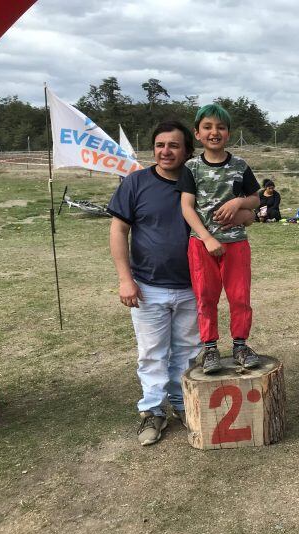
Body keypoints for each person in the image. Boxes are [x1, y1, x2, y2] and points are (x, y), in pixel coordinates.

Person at [108, 120, 200, 446]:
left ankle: (183, 404)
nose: (166, 151)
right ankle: (152, 412)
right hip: (148, 286)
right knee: (152, 353)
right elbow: (119, 231)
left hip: (193, 286)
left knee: (189, 353)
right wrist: (125, 279)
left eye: (174, 145)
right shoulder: (135, 183)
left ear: (188, 150)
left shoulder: (199, 182)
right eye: (160, 145)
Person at [178, 104, 261, 375]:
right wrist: (207, 238)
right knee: (205, 297)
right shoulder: (191, 167)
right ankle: (210, 348)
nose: (215, 132)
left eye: (221, 127)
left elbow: (256, 200)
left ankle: (240, 345)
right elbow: (187, 207)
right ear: (198, 134)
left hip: (236, 243)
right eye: (208, 127)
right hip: (202, 245)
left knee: (239, 297)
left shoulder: (240, 166)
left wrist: (238, 202)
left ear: (228, 133)